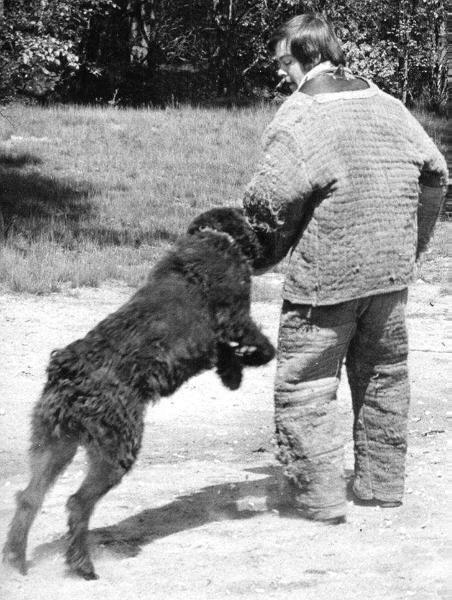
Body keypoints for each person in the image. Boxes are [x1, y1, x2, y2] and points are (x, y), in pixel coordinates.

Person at [243, 13, 448, 523]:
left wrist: (254, 256)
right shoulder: (390, 105)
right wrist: (411, 244)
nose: (282, 76)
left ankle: (318, 498)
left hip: (325, 280)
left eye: (283, 64)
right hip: (390, 275)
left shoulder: (299, 116)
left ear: (302, 57)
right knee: (384, 377)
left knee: (306, 386)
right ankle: (381, 487)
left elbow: (270, 203)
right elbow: (435, 174)